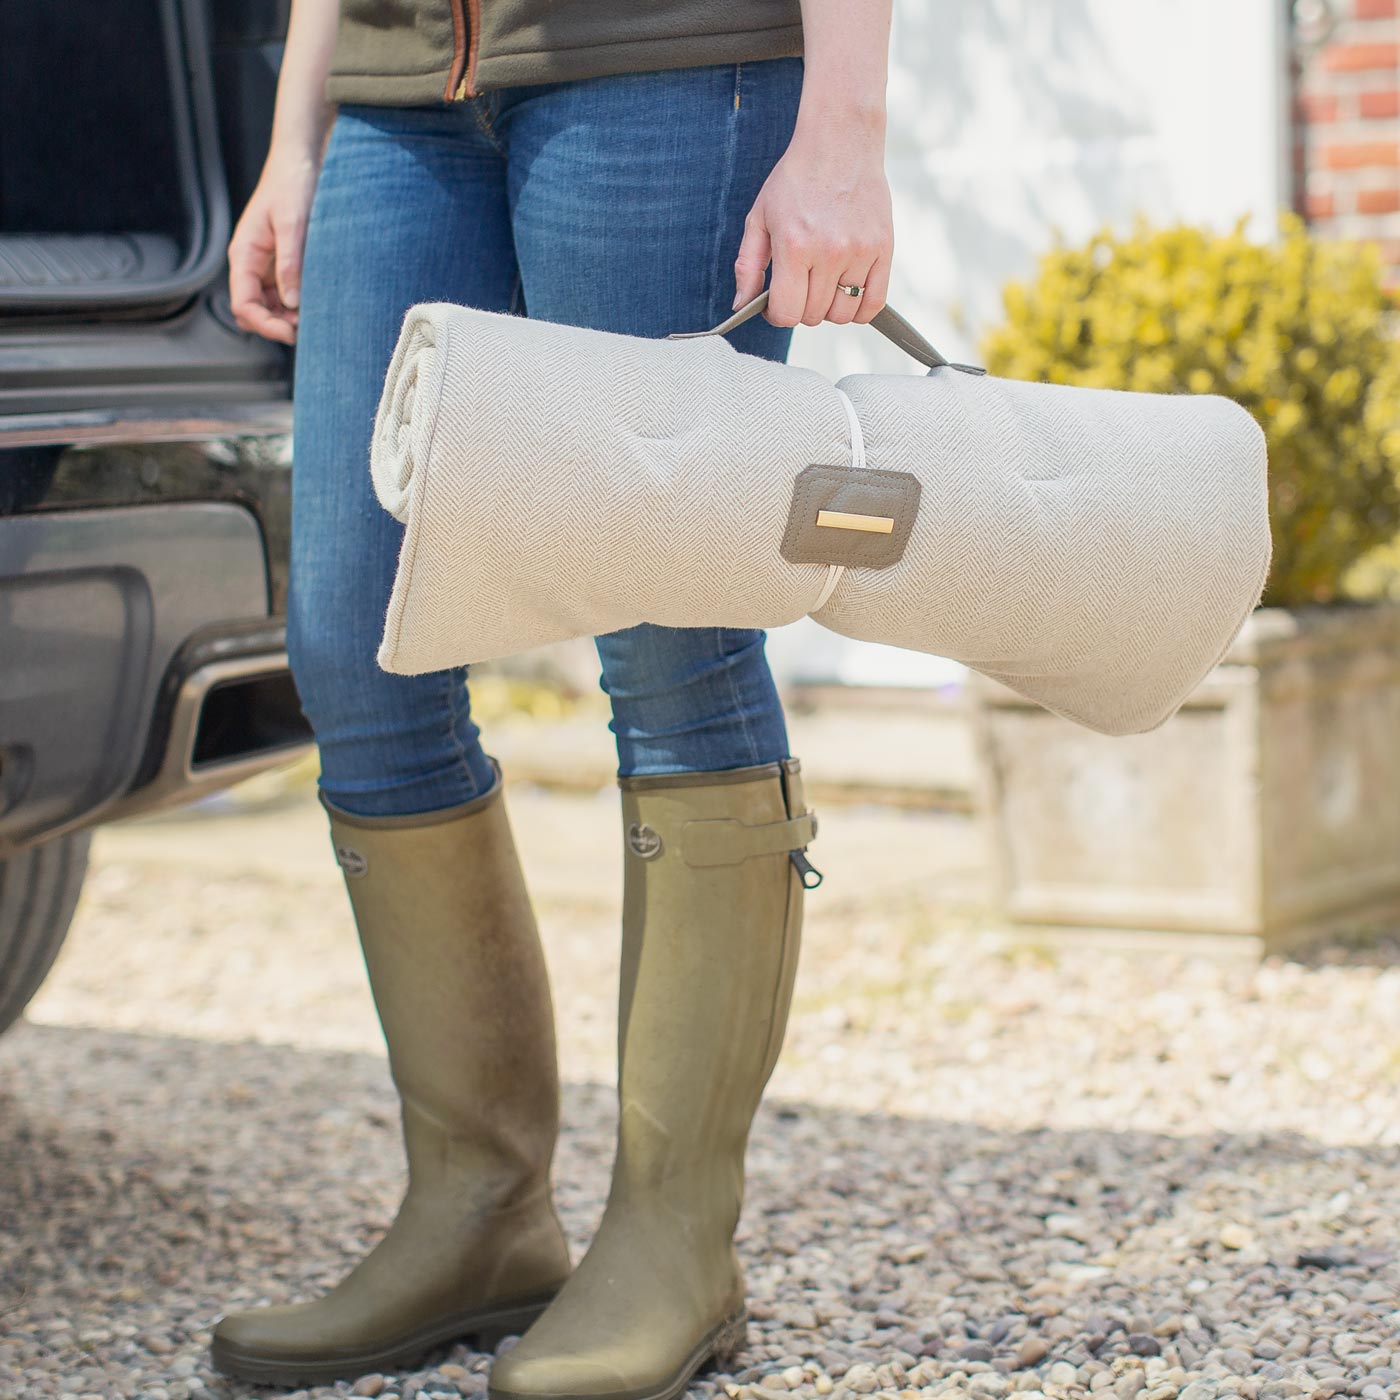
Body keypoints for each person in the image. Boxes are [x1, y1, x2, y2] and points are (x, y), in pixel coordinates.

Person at [208, 0, 895, 1394]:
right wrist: (294, 130)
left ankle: (675, 1238)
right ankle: (478, 1210)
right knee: (358, 637)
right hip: (398, 84)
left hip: (661, 60)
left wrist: (846, 127)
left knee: (668, 632)